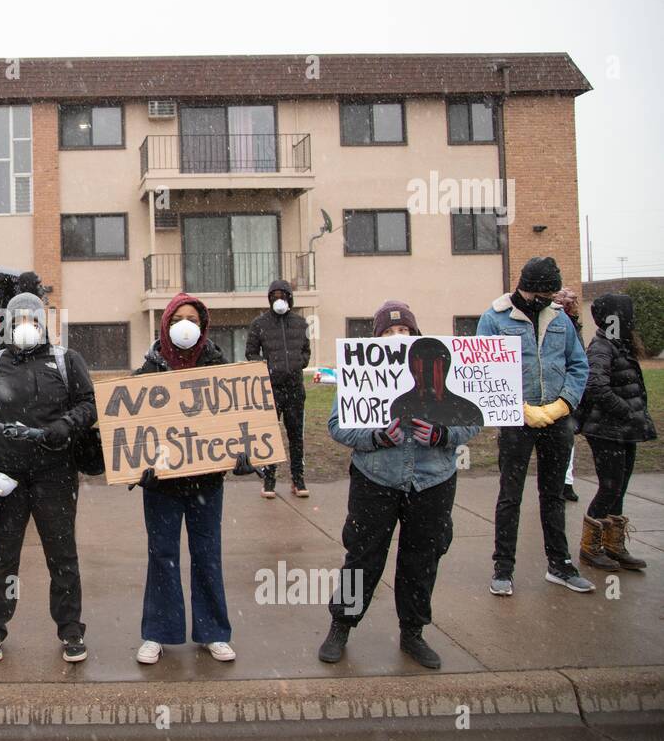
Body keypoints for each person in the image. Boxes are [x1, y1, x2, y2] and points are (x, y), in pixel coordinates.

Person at [319, 302, 480, 669]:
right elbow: (336, 425)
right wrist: (375, 437)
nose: (398, 337)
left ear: (416, 333)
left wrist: (443, 434)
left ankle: (413, 633)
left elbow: (474, 419)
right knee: (363, 555)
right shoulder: (360, 372)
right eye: (389, 333)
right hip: (376, 477)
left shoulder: (442, 369)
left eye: (405, 331)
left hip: (433, 479)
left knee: (422, 559)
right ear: (376, 339)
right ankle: (341, 625)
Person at [0, 292, 97, 663]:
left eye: (33, 320)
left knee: (62, 556)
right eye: (19, 320)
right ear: (8, 325)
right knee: (2, 559)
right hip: (7, 479)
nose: (26, 327)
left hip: (55, 475)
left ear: (43, 324)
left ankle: (71, 629)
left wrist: (66, 423)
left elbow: (89, 405)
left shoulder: (66, 361)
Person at [130, 293, 236, 665]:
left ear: (203, 325)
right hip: (162, 485)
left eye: (192, 318)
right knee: (162, 555)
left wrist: (240, 454)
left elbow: (234, 422)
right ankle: (157, 632)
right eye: (177, 319)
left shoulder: (219, 368)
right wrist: (135, 465)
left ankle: (214, 632)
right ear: (165, 324)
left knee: (208, 555)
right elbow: (130, 427)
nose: (185, 325)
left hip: (207, 482)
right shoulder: (147, 372)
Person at [477, 257, 590, 596]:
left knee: (553, 494)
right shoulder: (493, 319)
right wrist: (519, 408)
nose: (550, 299)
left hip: (556, 420)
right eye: (545, 293)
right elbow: (485, 370)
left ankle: (560, 564)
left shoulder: (560, 320)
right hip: (516, 422)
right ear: (528, 288)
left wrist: (563, 405)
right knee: (510, 495)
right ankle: (503, 568)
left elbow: (578, 365)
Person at [575, 293, 655, 573]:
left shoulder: (621, 345)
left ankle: (614, 544)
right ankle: (590, 547)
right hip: (607, 430)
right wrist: (624, 410)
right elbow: (596, 385)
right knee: (609, 487)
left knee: (619, 488)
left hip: (625, 430)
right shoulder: (602, 346)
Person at [245, 279, 310, 498]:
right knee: (270, 436)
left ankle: (298, 480)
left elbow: (306, 352)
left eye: (283, 295)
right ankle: (269, 481)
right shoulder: (260, 323)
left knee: (296, 436)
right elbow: (251, 352)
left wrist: (298, 362)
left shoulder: (301, 323)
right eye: (274, 296)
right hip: (270, 389)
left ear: (290, 298)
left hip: (295, 388)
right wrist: (268, 367)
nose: (278, 299)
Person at [554, 288, 583, 502]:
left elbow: (578, 360)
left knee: (567, 441)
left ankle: (566, 481)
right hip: (548, 390)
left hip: (564, 393)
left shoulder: (571, 326)